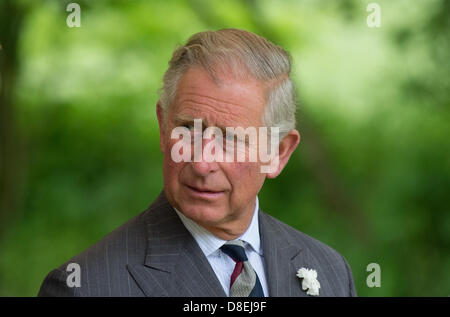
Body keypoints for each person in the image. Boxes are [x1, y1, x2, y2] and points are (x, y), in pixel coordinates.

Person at [38, 28, 356, 297]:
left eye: (230, 138)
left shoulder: (331, 272)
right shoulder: (86, 287)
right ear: (164, 128)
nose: (202, 163)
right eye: (188, 129)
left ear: (278, 153)